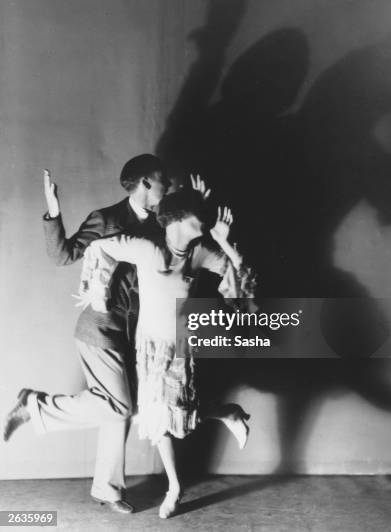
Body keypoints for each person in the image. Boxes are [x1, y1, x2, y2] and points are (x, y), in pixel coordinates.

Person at [2, 154, 172, 514]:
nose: (167, 185)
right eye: (162, 179)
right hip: (99, 327)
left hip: (134, 333)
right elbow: (63, 255)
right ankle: (35, 406)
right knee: (120, 406)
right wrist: (52, 211)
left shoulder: (161, 224)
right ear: (144, 183)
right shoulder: (107, 218)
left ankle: (107, 489)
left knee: (120, 410)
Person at [78, 188, 255, 519]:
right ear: (177, 220)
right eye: (198, 214)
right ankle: (177, 484)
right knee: (158, 419)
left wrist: (225, 242)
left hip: (181, 344)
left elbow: (240, 282)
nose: (206, 219)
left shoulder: (200, 250)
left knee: (171, 414)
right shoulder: (147, 248)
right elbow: (99, 247)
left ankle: (225, 415)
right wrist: (97, 290)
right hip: (150, 345)